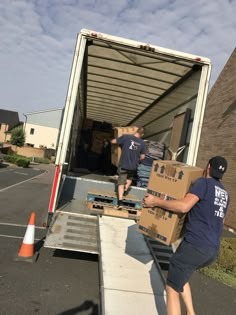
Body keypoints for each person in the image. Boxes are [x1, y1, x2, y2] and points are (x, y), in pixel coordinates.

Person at [142, 156, 229, 315]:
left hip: (195, 245)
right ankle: (190, 312)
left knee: (172, 287)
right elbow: (220, 222)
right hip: (212, 249)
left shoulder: (203, 183)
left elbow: (183, 206)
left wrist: (155, 202)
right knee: (182, 273)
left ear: (208, 167)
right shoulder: (224, 193)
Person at [111, 127, 146, 209]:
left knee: (121, 183)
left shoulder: (126, 137)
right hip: (133, 165)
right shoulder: (142, 143)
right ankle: (125, 190)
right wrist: (136, 159)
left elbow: (113, 141)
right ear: (142, 134)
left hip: (124, 164)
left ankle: (120, 202)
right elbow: (143, 157)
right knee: (129, 178)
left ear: (136, 131)